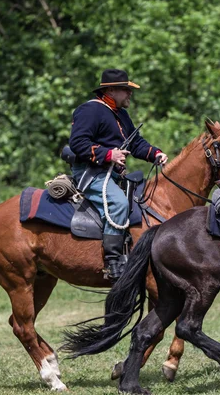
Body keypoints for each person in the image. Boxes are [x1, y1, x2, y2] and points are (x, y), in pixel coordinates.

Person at [69, 68, 168, 281]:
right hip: (90, 172)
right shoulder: (90, 110)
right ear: (111, 90)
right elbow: (77, 143)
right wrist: (109, 154)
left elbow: (135, 143)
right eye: (126, 89)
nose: (130, 94)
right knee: (119, 204)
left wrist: (156, 154)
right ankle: (113, 263)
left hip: (111, 174)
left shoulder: (120, 114)